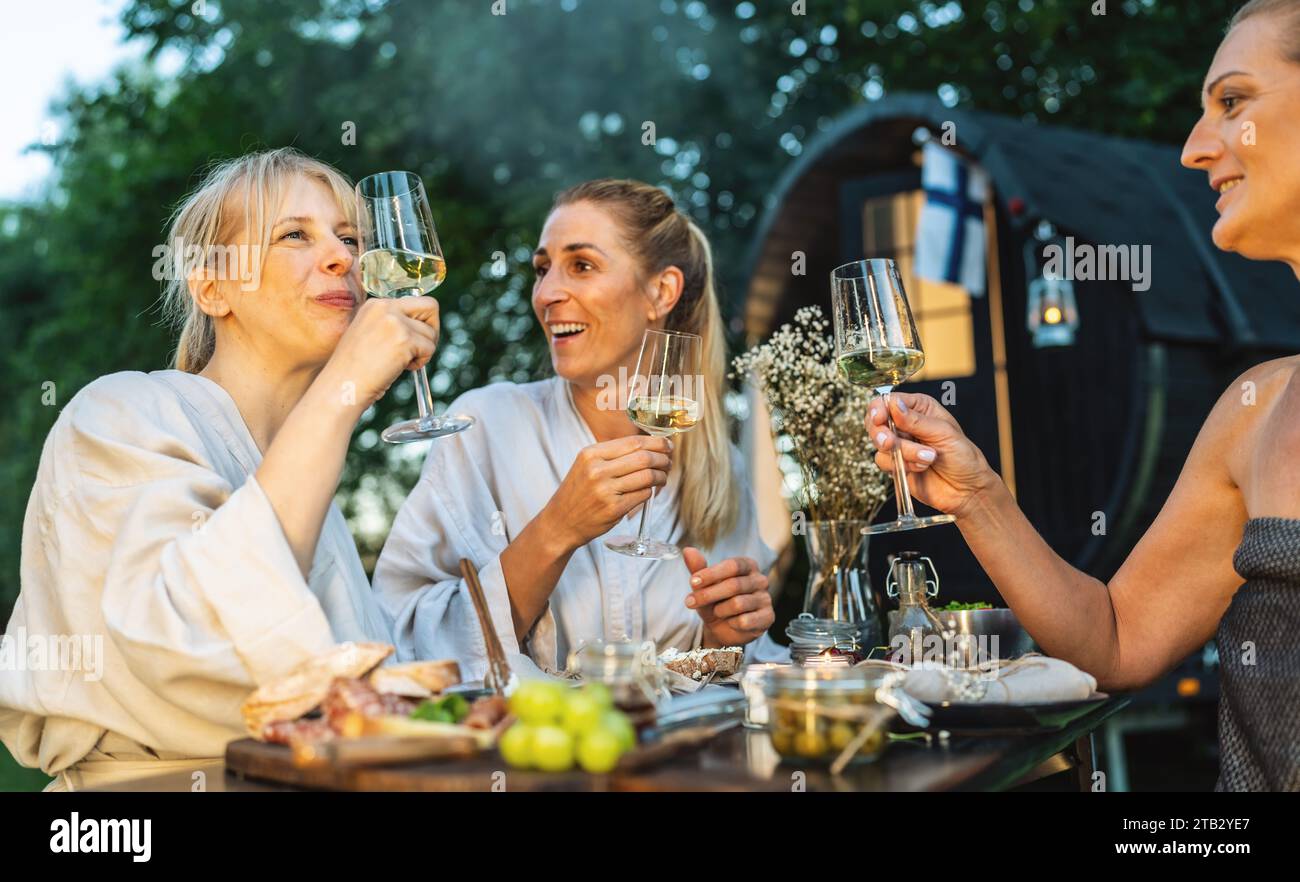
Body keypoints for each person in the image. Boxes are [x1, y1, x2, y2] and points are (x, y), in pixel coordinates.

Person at [865, 0, 1300, 791]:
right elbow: (1116, 640)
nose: (1196, 150)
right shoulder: (1257, 410)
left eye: (1233, 102)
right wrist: (978, 499)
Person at [0, 147, 441, 790]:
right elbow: (184, 645)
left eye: (350, 237)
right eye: (296, 234)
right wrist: (345, 387)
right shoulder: (121, 412)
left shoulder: (309, 483)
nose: (344, 257)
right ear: (211, 286)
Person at [374, 179, 782, 678]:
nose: (546, 294)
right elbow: (401, 639)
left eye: (581, 266)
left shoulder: (719, 467)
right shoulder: (485, 427)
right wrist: (556, 530)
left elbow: (707, 680)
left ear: (661, 291)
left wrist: (722, 642)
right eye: (542, 269)